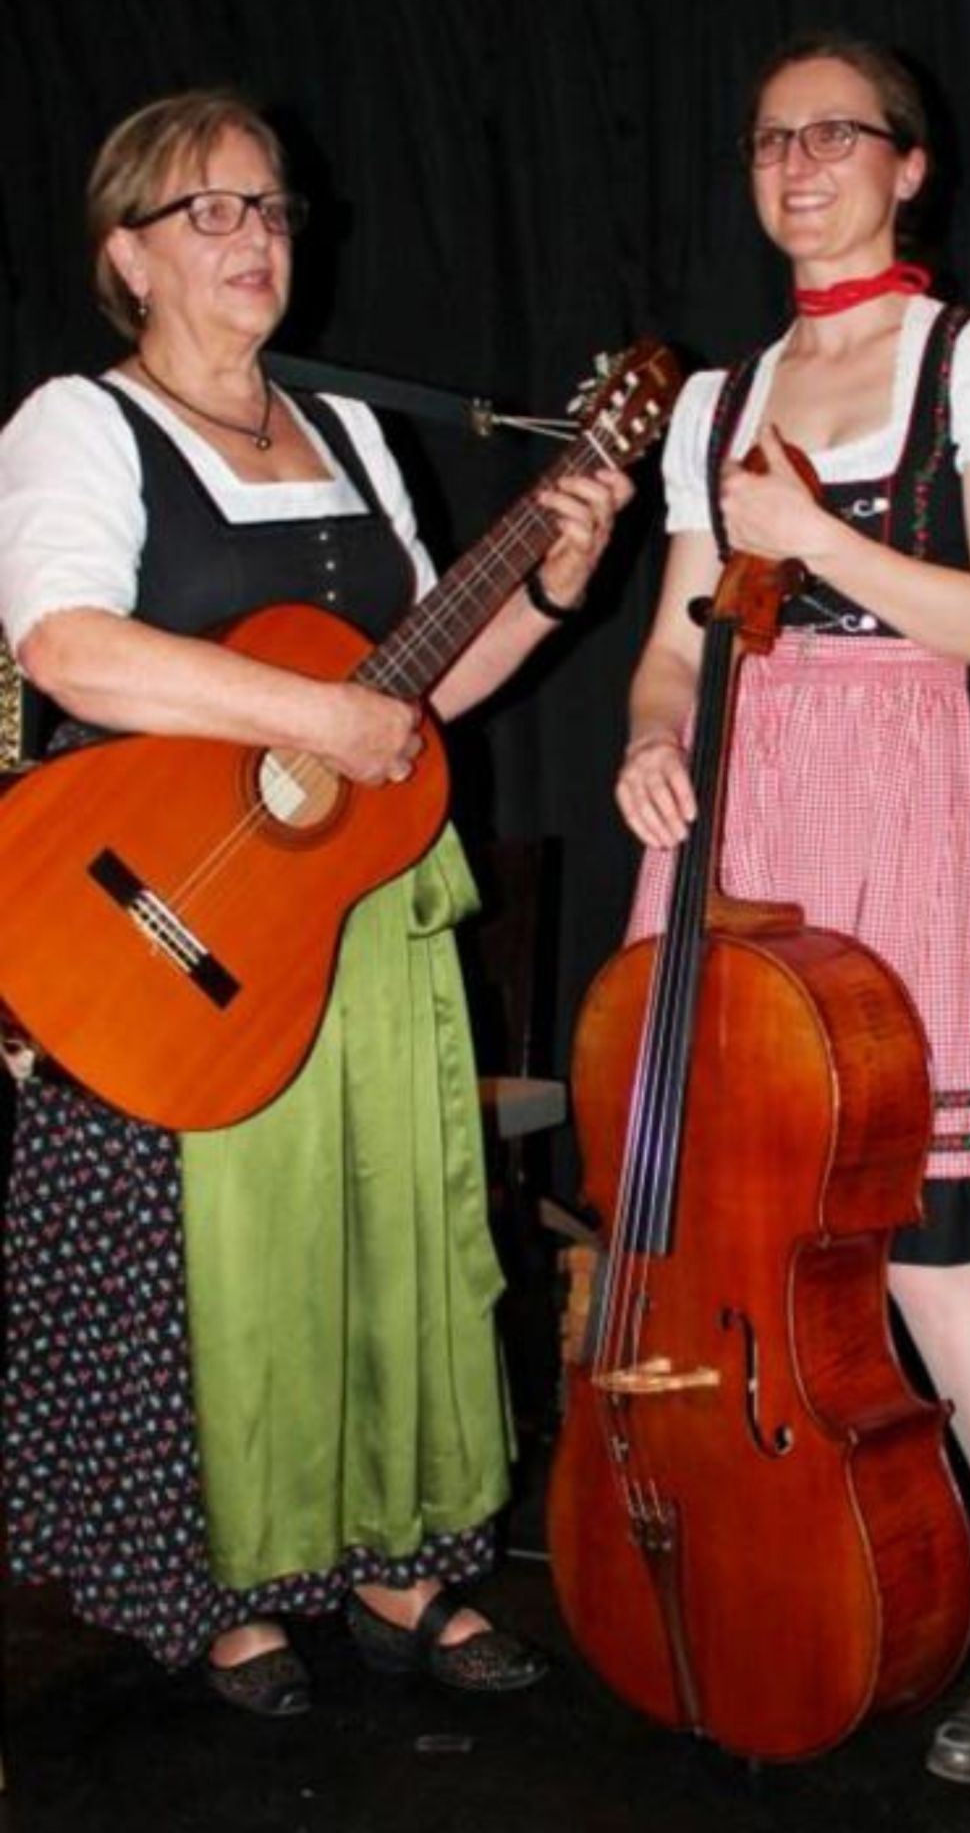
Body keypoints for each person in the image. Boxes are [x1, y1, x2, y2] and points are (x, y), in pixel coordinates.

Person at [0, 89, 633, 1717]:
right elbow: (67, 648)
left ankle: (395, 1559)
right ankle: (225, 1588)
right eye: (208, 210)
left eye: (271, 207)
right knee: (209, 1274)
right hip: (165, 926)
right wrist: (311, 716)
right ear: (128, 253)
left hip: (350, 917)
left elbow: (411, 704)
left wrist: (553, 585)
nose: (255, 238)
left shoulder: (346, 432)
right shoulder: (80, 423)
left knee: (385, 1240)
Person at [613, 31, 970, 1785]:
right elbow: (675, 643)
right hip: (739, 811)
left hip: (907, 796)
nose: (800, 163)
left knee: (935, 1253)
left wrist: (816, 538)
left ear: (911, 166)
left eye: (837, 134)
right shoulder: (718, 398)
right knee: (730, 1240)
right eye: (772, 139)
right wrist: (650, 738)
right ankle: (787, 1572)